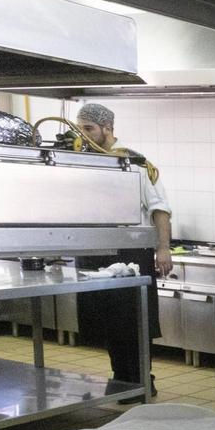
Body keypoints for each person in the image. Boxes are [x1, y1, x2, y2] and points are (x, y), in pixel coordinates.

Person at [73, 103, 173, 397]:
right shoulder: (83, 162)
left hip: (132, 253)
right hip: (96, 252)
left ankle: (143, 379)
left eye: (89, 129)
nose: (84, 136)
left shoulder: (134, 163)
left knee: (134, 319)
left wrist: (163, 248)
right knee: (107, 320)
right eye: (80, 129)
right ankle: (121, 377)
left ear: (107, 129)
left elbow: (160, 209)